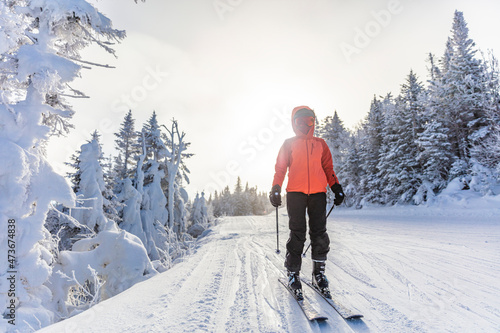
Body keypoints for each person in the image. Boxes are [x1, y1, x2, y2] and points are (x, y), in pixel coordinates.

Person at [269, 106, 344, 299]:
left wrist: (336, 187)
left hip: (318, 193)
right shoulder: (288, 143)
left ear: (314, 122)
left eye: (309, 121)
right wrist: (276, 188)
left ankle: (318, 273)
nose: (305, 125)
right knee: (298, 232)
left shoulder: (321, 144)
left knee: (319, 233)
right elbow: (280, 168)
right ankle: (293, 274)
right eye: (300, 122)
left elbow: (328, 168)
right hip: (295, 193)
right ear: (294, 123)